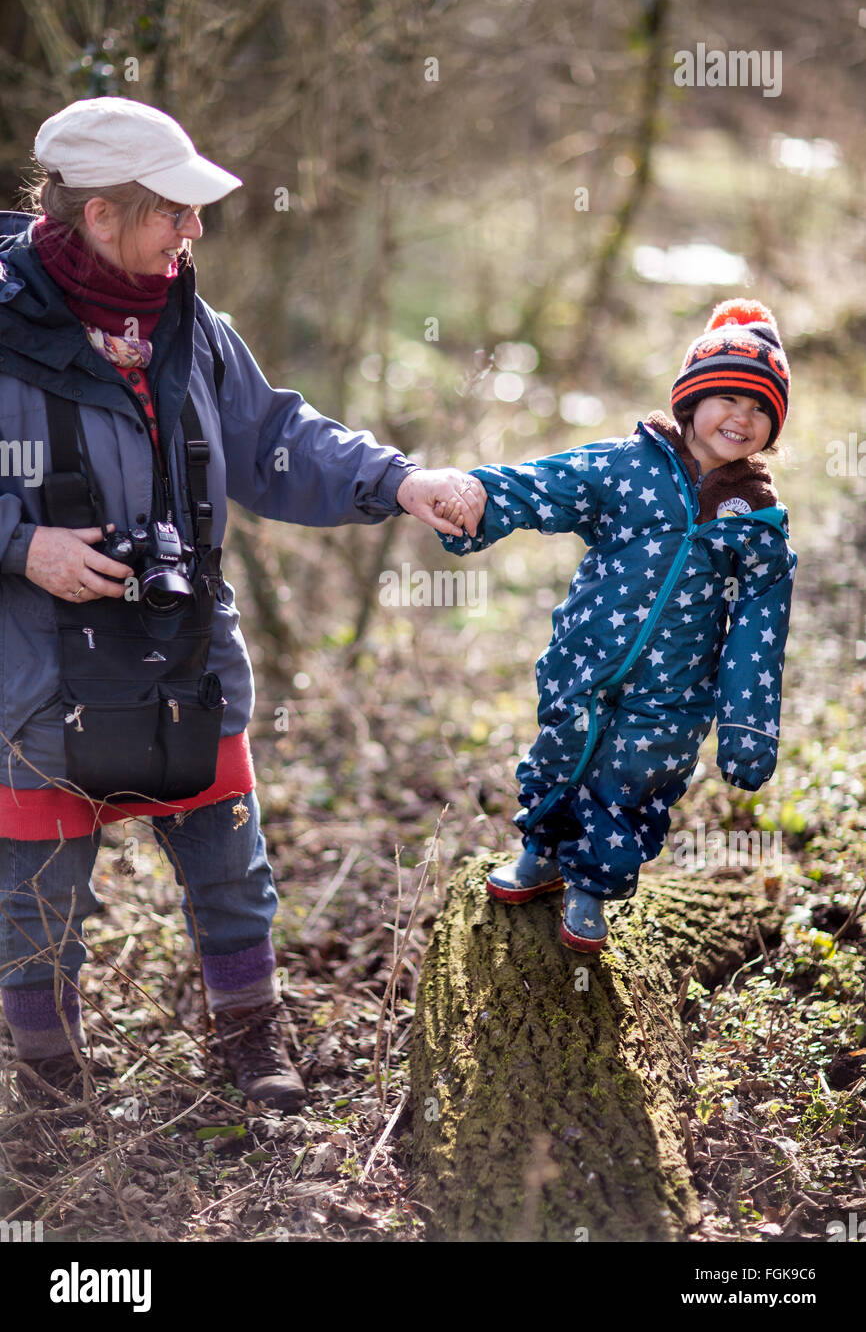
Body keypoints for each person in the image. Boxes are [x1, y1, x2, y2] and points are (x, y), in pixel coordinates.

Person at [0, 96, 487, 1115]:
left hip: (185, 658)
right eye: (174, 210)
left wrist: (397, 481)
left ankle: (250, 1043)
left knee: (230, 869)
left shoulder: (189, 323)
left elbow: (275, 438)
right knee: (33, 903)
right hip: (32, 675)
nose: (195, 229)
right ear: (101, 216)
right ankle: (50, 1089)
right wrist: (23, 543)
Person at [435, 300, 797, 952]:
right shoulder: (630, 466)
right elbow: (549, 485)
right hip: (585, 656)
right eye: (728, 399)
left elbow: (758, 630)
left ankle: (592, 888)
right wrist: (477, 500)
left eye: (760, 409)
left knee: (632, 781)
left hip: (675, 692)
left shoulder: (757, 522)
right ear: (691, 401)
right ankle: (541, 851)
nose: (742, 418)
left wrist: (748, 727)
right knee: (560, 751)